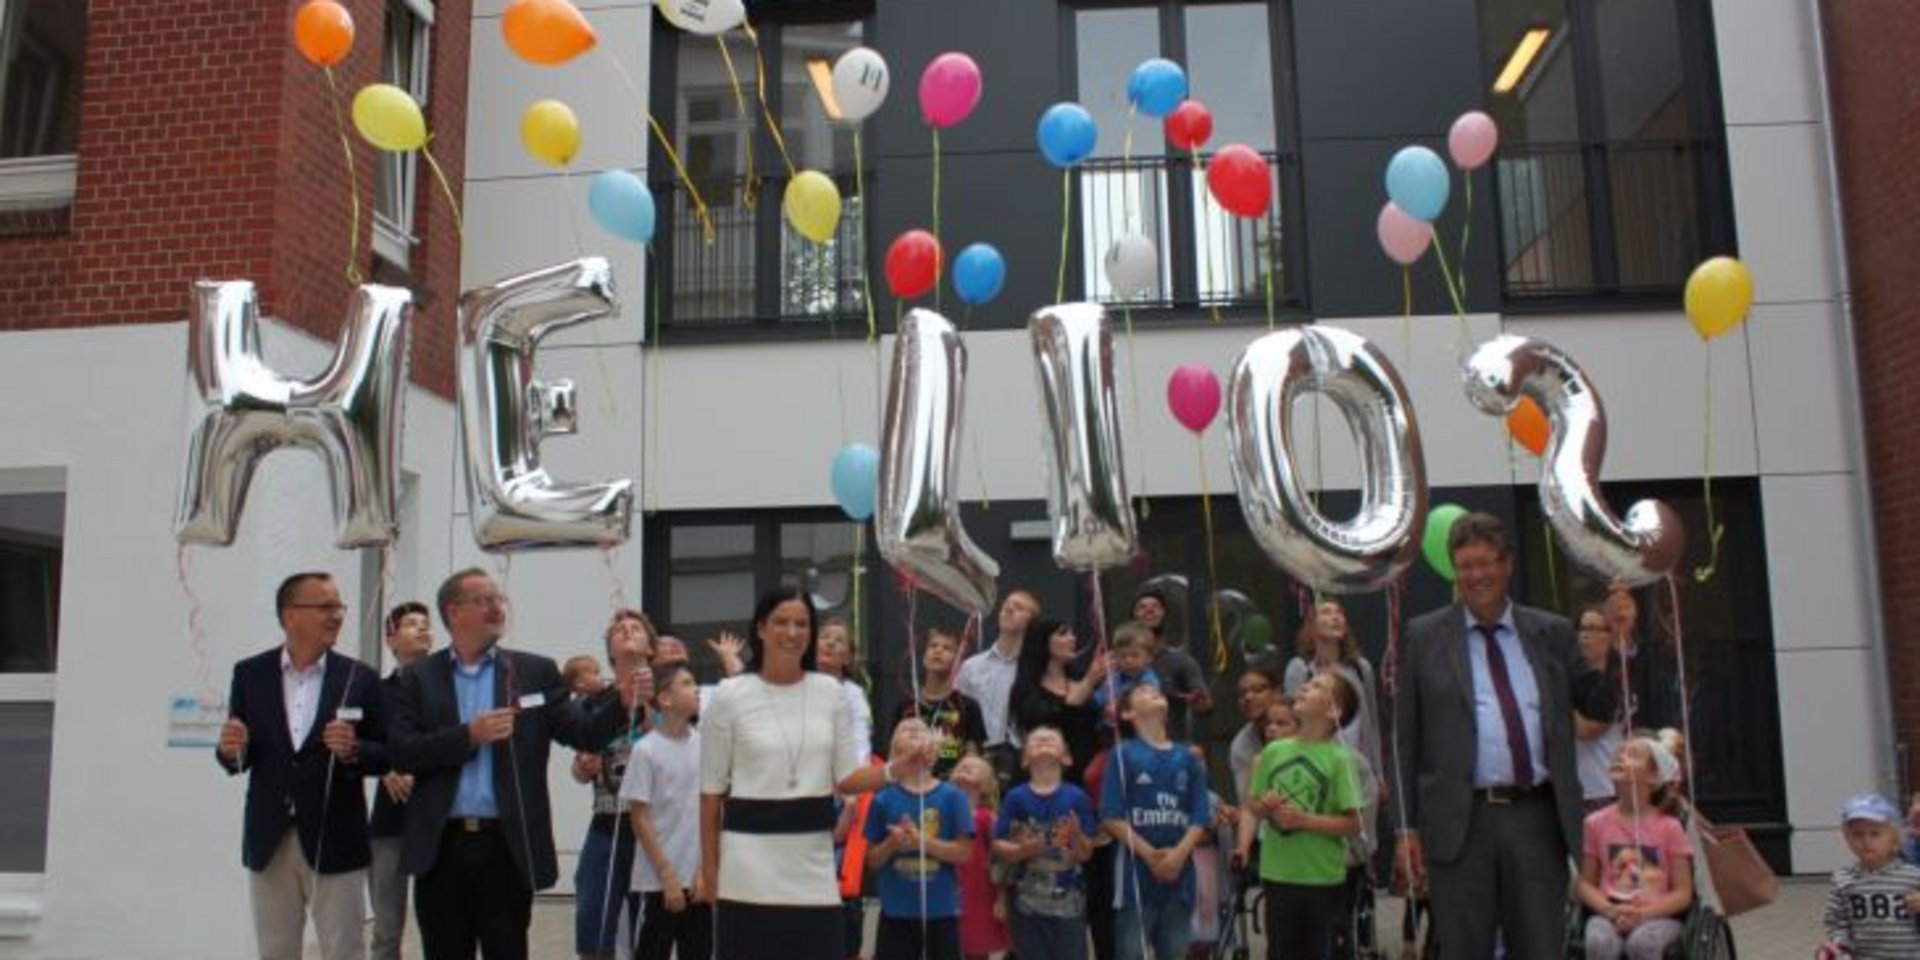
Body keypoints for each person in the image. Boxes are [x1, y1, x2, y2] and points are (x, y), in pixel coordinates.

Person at [1391, 512, 1615, 960]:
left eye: (1487, 563)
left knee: (1539, 946)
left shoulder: (1550, 632)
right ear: (1455, 569)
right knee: (1465, 948)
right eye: (1467, 565)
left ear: (1507, 564)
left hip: (1535, 816)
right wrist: (1404, 827)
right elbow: (1405, 740)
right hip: (1459, 821)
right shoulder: (1423, 635)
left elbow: (1598, 705)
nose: (1478, 575)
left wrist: (1618, 647)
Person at [389, 568, 639, 960]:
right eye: (483, 600)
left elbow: (583, 733)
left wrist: (620, 701)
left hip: (506, 845)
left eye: (498, 599)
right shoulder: (420, 676)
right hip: (441, 849)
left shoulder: (533, 671)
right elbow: (402, 751)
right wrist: (468, 735)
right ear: (454, 612)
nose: (497, 607)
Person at [699, 587, 907, 960]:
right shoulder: (730, 695)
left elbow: (847, 779)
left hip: (812, 860)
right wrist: (711, 872)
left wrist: (895, 770)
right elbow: (710, 792)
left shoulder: (831, 693)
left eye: (801, 624)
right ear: (760, 629)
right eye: (781, 622)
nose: (792, 632)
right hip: (746, 863)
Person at [216, 572, 388, 960]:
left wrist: (353, 749)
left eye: (339, 606)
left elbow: (388, 752)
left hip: (336, 836)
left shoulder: (359, 677)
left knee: (343, 949)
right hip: (269, 838)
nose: (337, 615)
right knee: (275, 950)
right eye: (325, 607)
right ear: (291, 615)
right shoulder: (250, 674)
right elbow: (238, 753)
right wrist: (231, 748)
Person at [1235, 672, 1362, 960]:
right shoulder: (1273, 752)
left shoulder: (1342, 759)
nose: (1305, 686)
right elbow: (1253, 806)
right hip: (1277, 876)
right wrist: (1265, 806)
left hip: (1323, 881)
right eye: (1308, 682)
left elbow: (1355, 824)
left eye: (1317, 686)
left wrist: (1305, 821)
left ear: (1333, 711)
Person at [1099, 683, 1212, 960]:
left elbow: (1200, 816)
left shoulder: (1189, 758)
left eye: (1158, 691)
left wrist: (1177, 856)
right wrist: (1151, 856)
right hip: (1134, 878)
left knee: (1174, 952)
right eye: (1144, 692)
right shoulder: (1122, 755)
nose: (1155, 693)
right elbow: (1111, 816)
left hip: (1180, 876)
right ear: (1127, 713)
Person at [572, 610, 657, 960]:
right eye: (618, 630)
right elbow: (578, 773)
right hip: (606, 823)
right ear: (609, 650)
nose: (626, 631)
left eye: (635, 628)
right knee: (592, 918)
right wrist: (582, 765)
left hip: (654, 828)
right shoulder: (594, 702)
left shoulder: (671, 692)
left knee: (649, 926)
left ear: (650, 646)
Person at [864, 718, 974, 960]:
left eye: (921, 730)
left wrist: (923, 842)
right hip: (895, 912)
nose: (913, 729)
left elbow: (965, 853)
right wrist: (891, 844)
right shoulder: (882, 799)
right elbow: (871, 860)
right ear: (894, 749)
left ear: (934, 748)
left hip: (942, 911)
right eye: (905, 729)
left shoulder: (954, 796)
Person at [620, 662, 708, 960]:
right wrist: (667, 874)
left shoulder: (706, 745)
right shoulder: (646, 750)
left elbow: (714, 809)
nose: (696, 689)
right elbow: (639, 816)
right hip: (657, 881)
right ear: (665, 699)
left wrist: (706, 869)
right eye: (687, 683)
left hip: (699, 882)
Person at [1575, 738, 1693, 960]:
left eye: (1632, 755)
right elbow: (1584, 884)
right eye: (1618, 753)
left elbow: (1683, 893)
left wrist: (1642, 915)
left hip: (1659, 914)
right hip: (1609, 911)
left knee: (1644, 943)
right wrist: (1610, 910)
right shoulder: (1594, 823)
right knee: (1599, 943)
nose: (1620, 757)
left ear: (1654, 778)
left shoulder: (1669, 827)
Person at [995, 726, 1097, 960]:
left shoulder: (1077, 797)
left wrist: (1077, 835)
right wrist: (1022, 850)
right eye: (1036, 741)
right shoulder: (1015, 797)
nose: (1043, 741)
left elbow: (1086, 853)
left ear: (1067, 758)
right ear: (1024, 760)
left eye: (1052, 740)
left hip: (1069, 900)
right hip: (1026, 903)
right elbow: (999, 847)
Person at [370, 601, 432, 960]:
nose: (423, 629)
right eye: (412, 624)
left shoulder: (447, 689)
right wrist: (386, 768)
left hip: (438, 819)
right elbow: (364, 742)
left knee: (441, 924)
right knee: (386, 927)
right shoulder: (376, 691)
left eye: (426, 624)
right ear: (391, 639)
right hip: (390, 821)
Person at [1282, 599, 1384, 806]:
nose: (1335, 617)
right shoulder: (1301, 669)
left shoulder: (1360, 669)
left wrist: (1378, 774)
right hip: (1318, 771)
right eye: (1326, 612)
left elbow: (1372, 724)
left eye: (1339, 612)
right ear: (1311, 626)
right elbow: (1292, 725)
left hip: (1358, 772)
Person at [1819, 792, 1920, 960]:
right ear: (1847, 838)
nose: (1866, 841)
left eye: (1875, 834)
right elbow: (1836, 921)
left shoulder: (1913, 876)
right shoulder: (1843, 879)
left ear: (1894, 839)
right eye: (1858, 834)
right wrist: (1839, 948)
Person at [958, 588, 1042, 785]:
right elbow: (958, 713)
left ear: (1032, 623)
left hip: (1023, 759)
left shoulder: (1036, 669)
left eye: (1019, 607)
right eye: (1006, 605)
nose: (1009, 608)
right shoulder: (972, 666)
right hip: (980, 757)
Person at [1011, 618, 1106, 787]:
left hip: (1086, 776)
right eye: (1063, 633)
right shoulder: (1026, 688)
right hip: (1043, 778)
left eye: (1072, 633)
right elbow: (1045, 722)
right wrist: (1088, 684)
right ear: (1042, 641)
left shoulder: (1081, 678)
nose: (1073, 638)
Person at [892, 626, 988, 779]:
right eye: (933, 646)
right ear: (924, 658)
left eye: (947, 648)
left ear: (958, 661)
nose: (938, 651)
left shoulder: (968, 706)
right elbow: (894, 754)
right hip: (912, 786)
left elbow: (973, 758)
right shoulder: (906, 706)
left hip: (952, 789)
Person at [1131, 587, 1212, 740]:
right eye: (1142, 607)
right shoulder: (1118, 663)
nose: (1149, 610)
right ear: (1132, 617)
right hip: (1130, 752)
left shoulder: (1182, 661)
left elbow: (1205, 708)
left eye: (1156, 606)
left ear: (1164, 615)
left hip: (1171, 751)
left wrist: (1202, 703)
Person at [950, 755, 1011, 960]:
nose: (966, 768)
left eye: (974, 769)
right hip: (949, 889)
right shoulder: (942, 812)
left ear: (987, 784)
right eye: (962, 766)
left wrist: (1002, 898)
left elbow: (1002, 860)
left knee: (977, 949)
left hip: (980, 893)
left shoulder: (988, 818)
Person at [1574, 604, 1626, 812]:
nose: (1585, 635)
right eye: (1582, 628)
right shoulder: (1576, 678)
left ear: (1609, 637)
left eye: (1594, 629)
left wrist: (1557, 696)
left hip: (1603, 788)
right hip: (1580, 787)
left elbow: (1586, 731)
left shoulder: (1613, 682)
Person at [816, 617, 873, 763]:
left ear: (847, 657)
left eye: (839, 640)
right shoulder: (799, 686)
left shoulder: (854, 694)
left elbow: (861, 744)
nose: (830, 643)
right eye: (824, 637)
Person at [1092, 621, 1161, 732]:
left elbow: (1142, 705)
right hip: (1109, 733)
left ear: (1149, 658)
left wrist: (1117, 705)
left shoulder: (1149, 680)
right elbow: (1096, 700)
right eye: (1123, 656)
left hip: (1137, 733)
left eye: (1135, 655)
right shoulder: (1114, 677)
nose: (1128, 660)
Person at [1229, 664, 1282, 806]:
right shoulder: (1241, 744)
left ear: (1277, 692)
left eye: (1257, 690)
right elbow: (1246, 803)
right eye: (1242, 693)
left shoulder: (1303, 728)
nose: (1248, 697)